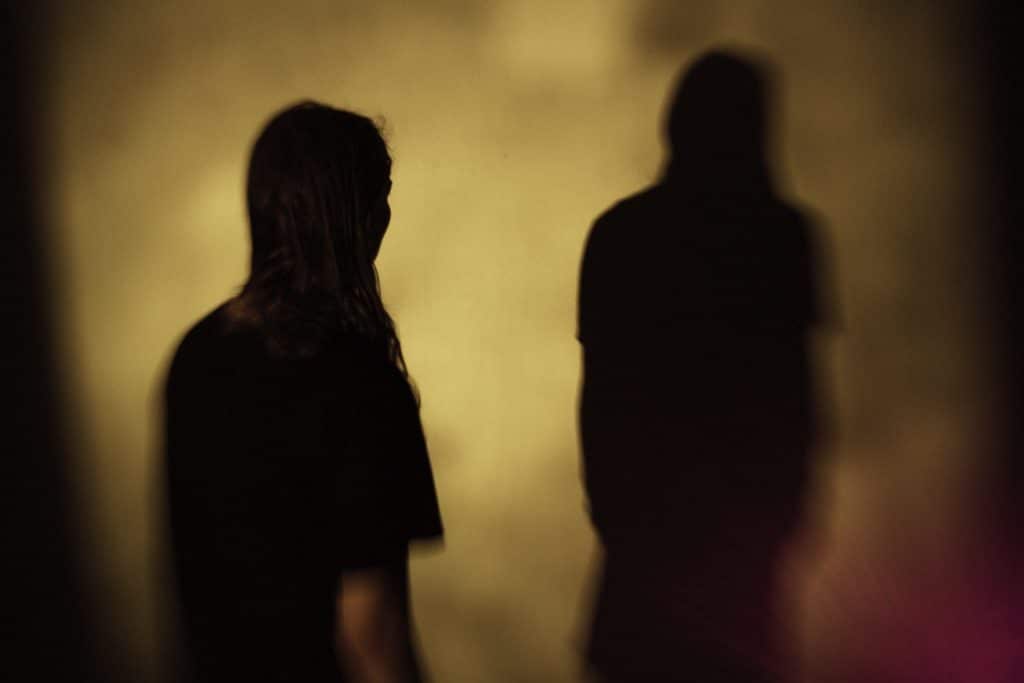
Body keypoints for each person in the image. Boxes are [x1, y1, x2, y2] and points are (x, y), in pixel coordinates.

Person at [164, 102, 443, 683]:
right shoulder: (361, 381)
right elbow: (371, 635)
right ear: (358, 216)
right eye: (380, 195)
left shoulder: (195, 355)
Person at [578, 50, 829, 682]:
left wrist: (616, 516)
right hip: (740, 547)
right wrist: (788, 514)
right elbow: (796, 393)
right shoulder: (781, 236)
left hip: (646, 543)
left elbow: (602, 400)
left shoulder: (621, 234)